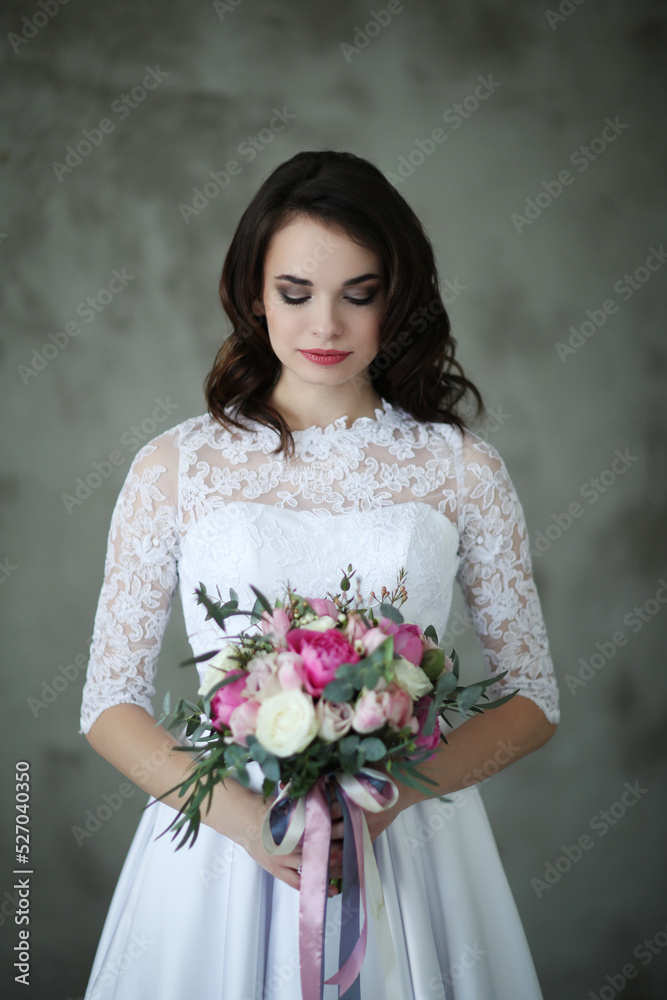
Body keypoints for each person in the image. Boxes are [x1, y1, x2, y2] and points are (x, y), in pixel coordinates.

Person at [79, 149, 560, 999]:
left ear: (397, 298)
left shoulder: (459, 469)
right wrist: (247, 826)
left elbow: (533, 701)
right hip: (217, 857)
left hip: (403, 850)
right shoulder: (175, 468)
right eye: (295, 293)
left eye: (358, 294)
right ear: (251, 293)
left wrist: (389, 804)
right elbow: (106, 704)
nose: (324, 326)